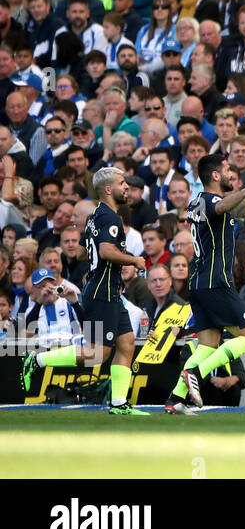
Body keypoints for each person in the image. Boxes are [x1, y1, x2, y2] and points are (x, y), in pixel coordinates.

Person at [20, 167, 150, 415]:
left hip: (105, 290)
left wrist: (93, 264)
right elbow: (105, 252)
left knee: (127, 344)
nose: (126, 187)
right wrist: (134, 260)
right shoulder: (109, 218)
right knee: (96, 353)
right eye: (122, 183)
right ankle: (37, 360)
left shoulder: (94, 217)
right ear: (109, 189)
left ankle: (119, 403)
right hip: (102, 293)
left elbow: (81, 252)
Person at [164, 153, 245, 415]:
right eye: (228, 169)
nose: (232, 173)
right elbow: (220, 207)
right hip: (216, 281)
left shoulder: (196, 201)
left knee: (207, 344)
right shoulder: (211, 200)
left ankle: (176, 398)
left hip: (198, 283)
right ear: (216, 175)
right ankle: (196, 373)